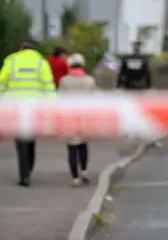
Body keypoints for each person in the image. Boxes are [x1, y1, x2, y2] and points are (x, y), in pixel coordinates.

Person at [0, 39, 55, 187]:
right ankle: (28, 170)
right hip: (35, 108)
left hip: (14, 108)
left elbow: (1, 84)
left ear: (21, 48)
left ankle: (24, 174)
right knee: (30, 140)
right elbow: (48, 88)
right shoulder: (41, 64)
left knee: (20, 141)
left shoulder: (11, 62)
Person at [58, 53, 97, 186]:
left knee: (72, 147)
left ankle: (75, 177)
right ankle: (84, 170)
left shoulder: (64, 81)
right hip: (85, 116)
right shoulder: (90, 80)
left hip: (69, 116)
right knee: (83, 145)